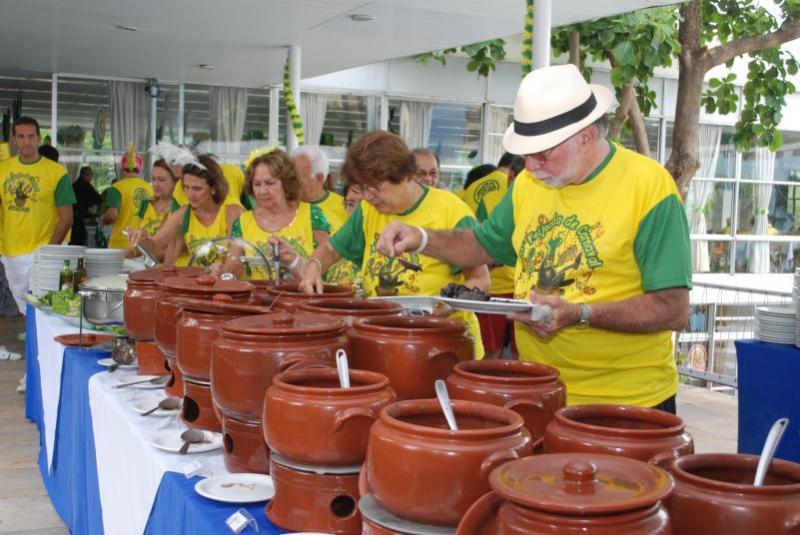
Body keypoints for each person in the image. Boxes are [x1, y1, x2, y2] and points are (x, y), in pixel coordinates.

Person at [374, 64, 691, 411]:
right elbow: (482, 244)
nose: (531, 166)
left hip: (627, 402)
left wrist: (581, 313)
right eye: (526, 154)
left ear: (586, 136)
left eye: (543, 153)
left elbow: (672, 308)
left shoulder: (649, 187)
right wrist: (420, 238)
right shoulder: (528, 183)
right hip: (537, 387)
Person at [299, 131, 489, 359]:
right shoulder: (368, 209)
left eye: (375, 188)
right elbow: (331, 249)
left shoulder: (451, 211)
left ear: (406, 176)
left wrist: (445, 308)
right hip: (385, 340)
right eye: (362, 188)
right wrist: (313, 266)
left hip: (442, 345)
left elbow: (481, 281)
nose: (368, 196)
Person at [0, 116, 75, 393]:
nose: (27, 142)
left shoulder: (56, 172)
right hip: (11, 253)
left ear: (39, 137)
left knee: (46, 315)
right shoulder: (3, 169)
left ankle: (41, 375)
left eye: (31, 136)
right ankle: (34, 372)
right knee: (27, 316)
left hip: (45, 251)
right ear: (14, 139)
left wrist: (49, 252)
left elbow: (66, 218)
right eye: (21, 137)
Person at [224, 148, 330, 281]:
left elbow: (327, 267)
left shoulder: (311, 215)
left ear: (287, 184)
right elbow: (231, 271)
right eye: (257, 184)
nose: (262, 191)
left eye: (270, 183)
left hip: (301, 299)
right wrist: (221, 270)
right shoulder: (243, 222)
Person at [128, 154, 243, 266]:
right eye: (186, 188)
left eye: (197, 189)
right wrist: (142, 238)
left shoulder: (231, 212)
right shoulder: (184, 214)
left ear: (213, 188)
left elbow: (236, 258)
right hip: (196, 282)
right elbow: (154, 245)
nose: (190, 195)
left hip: (224, 282)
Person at [100, 143, 153, 249]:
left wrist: (103, 220)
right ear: (140, 169)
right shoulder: (150, 188)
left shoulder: (117, 187)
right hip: (144, 244)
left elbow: (112, 216)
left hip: (121, 243)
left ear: (122, 168)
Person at [125, 159, 178, 260]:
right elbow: (139, 245)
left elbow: (177, 249)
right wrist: (122, 256)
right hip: (148, 269)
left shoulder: (179, 208)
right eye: (153, 179)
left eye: (161, 180)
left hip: (172, 269)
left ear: (175, 182)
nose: (156, 184)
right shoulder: (146, 204)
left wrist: (149, 251)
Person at [291, 146, 348, 233]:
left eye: (297, 178)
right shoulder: (283, 205)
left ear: (319, 178)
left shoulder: (345, 208)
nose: (290, 182)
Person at [70, 166, 104, 246]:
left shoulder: (74, 185)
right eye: (91, 176)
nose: (91, 179)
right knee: (79, 242)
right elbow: (99, 200)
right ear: (87, 175)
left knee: (73, 243)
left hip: (71, 220)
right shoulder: (86, 186)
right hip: (78, 221)